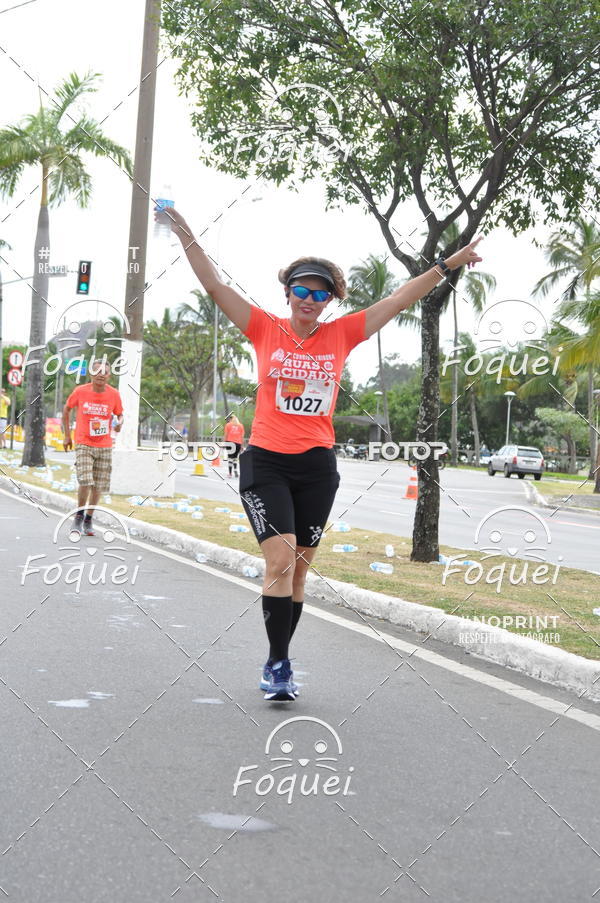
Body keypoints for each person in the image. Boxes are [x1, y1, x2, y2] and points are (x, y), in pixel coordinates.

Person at [162, 205, 482, 702]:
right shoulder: (264, 328)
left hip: (316, 467)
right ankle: (276, 663)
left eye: (320, 293)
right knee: (281, 561)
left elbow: (399, 299)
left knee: (300, 570)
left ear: (329, 300)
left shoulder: (341, 334)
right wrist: (185, 232)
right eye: (301, 290)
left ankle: (283, 659)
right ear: (288, 292)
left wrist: (448, 264)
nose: (309, 299)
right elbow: (215, 286)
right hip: (265, 460)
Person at [62, 360, 124, 535]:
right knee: (85, 480)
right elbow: (66, 409)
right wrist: (67, 435)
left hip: (104, 445)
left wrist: (119, 424)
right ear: (91, 374)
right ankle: (78, 517)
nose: (101, 374)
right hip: (84, 442)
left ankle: (89, 519)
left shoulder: (114, 394)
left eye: (105, 371)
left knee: (98, 485)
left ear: (109, 375)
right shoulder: (80, 391)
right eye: (97, 371)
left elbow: (120, 415)